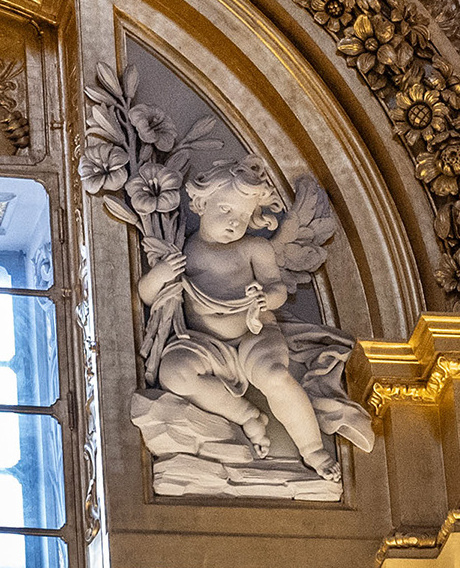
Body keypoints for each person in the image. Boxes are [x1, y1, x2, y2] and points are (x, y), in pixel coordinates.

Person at [142, 155, 339, 482]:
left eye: (244, 216)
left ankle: (313, 450)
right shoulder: (184, 251)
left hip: (253, 335)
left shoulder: (254, 250)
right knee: (174, 373)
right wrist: (161, 273)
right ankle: (245, 414)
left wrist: (266, 299)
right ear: (202, 203)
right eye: (225, 211)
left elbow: (276, 289)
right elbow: (149, 295)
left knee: (275, 376)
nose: (235, 222)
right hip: (207, 346)